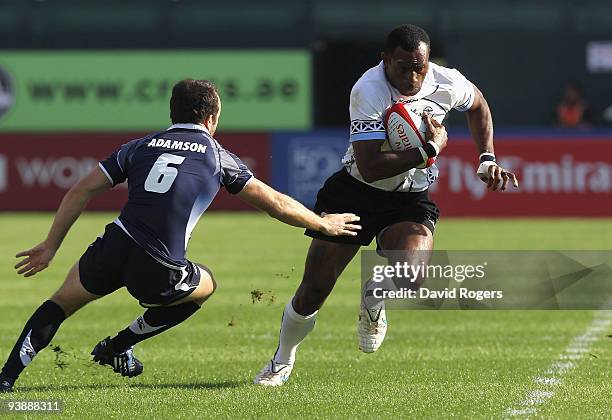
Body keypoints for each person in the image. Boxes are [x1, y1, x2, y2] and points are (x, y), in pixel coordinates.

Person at [0, 79, 361, 393]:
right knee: (206, 285)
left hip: (115, 243)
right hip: (158, 264)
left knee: (59, 304)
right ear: (211, 119)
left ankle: (6, 378)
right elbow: (276, 204)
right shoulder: (217, 155)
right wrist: (321, 223)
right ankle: (118, 346)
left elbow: (79, 190)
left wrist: (50, 246)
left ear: (173, 113)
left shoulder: (140, 146)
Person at [254, 24, 519, 386]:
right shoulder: (368, 89)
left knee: (411, 275)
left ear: (428, 62)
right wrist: (429, 149)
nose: (412, 76)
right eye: (402, 67)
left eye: (419, 67)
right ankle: (281, 361)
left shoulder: (446, 80)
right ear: (385, 60)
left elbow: (479, 105)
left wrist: (487, 157)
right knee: (314, 290)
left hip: (409, 198)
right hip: (355, 193)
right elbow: (370, 166)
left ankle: (373, 297)